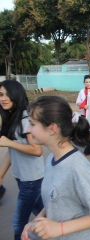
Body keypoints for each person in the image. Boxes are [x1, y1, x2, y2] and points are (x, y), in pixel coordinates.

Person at [22, 96, 90, 240]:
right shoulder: (50, 160)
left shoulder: (77, 167)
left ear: (52, 129)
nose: (28, 129)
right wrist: (35, 223)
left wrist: (59, 228)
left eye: (32, 124)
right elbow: (53, 201)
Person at [0, 80, 44, 240]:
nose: (3, 98)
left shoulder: (25, 119)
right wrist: (1, 174)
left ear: (16, 95)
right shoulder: (12, 118)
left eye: (7, 94)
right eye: (0, 95)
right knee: (45, 212)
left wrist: (8, 142)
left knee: (19, 223)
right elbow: (13, 152)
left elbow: (37, 150)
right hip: (23, 178)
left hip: (31, 181)